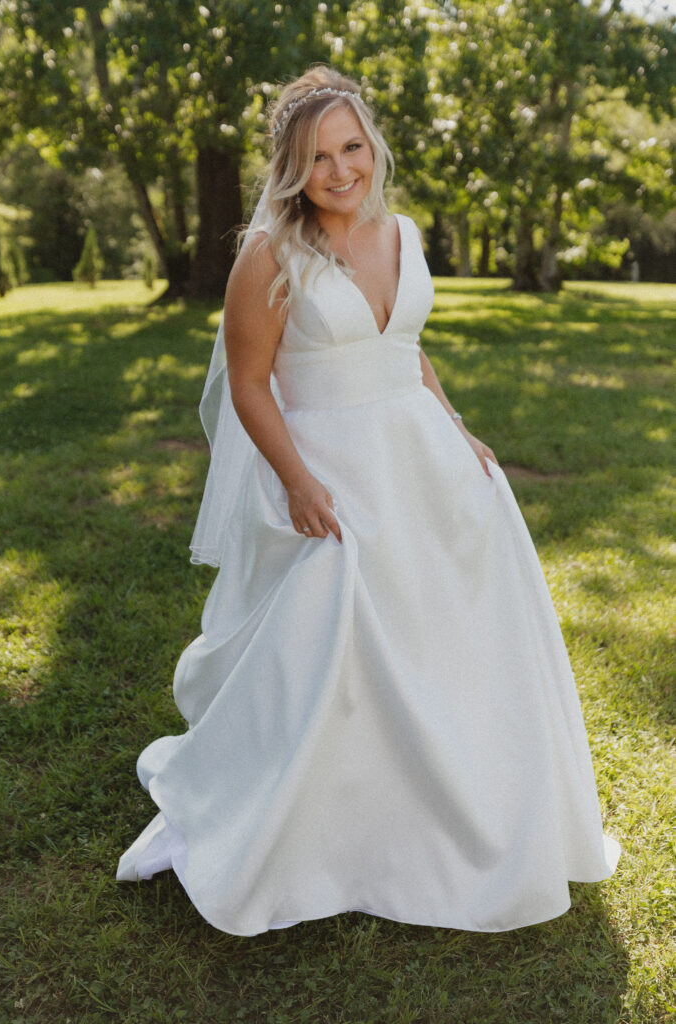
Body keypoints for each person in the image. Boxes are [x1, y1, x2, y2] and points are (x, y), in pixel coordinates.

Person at [117, 66, 619, 936]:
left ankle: (468, 794)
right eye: (318, 157)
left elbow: (405, 350)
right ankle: (328, 819)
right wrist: (300, 483)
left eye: (351, 147)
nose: (340, 169)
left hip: (425, 461)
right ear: (291, 168)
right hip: (334, 471)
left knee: (452, 635)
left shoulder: (404, 231)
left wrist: (458, 428)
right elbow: (248, 384)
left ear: (373, 146)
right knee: (334, 644)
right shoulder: (270, 252)